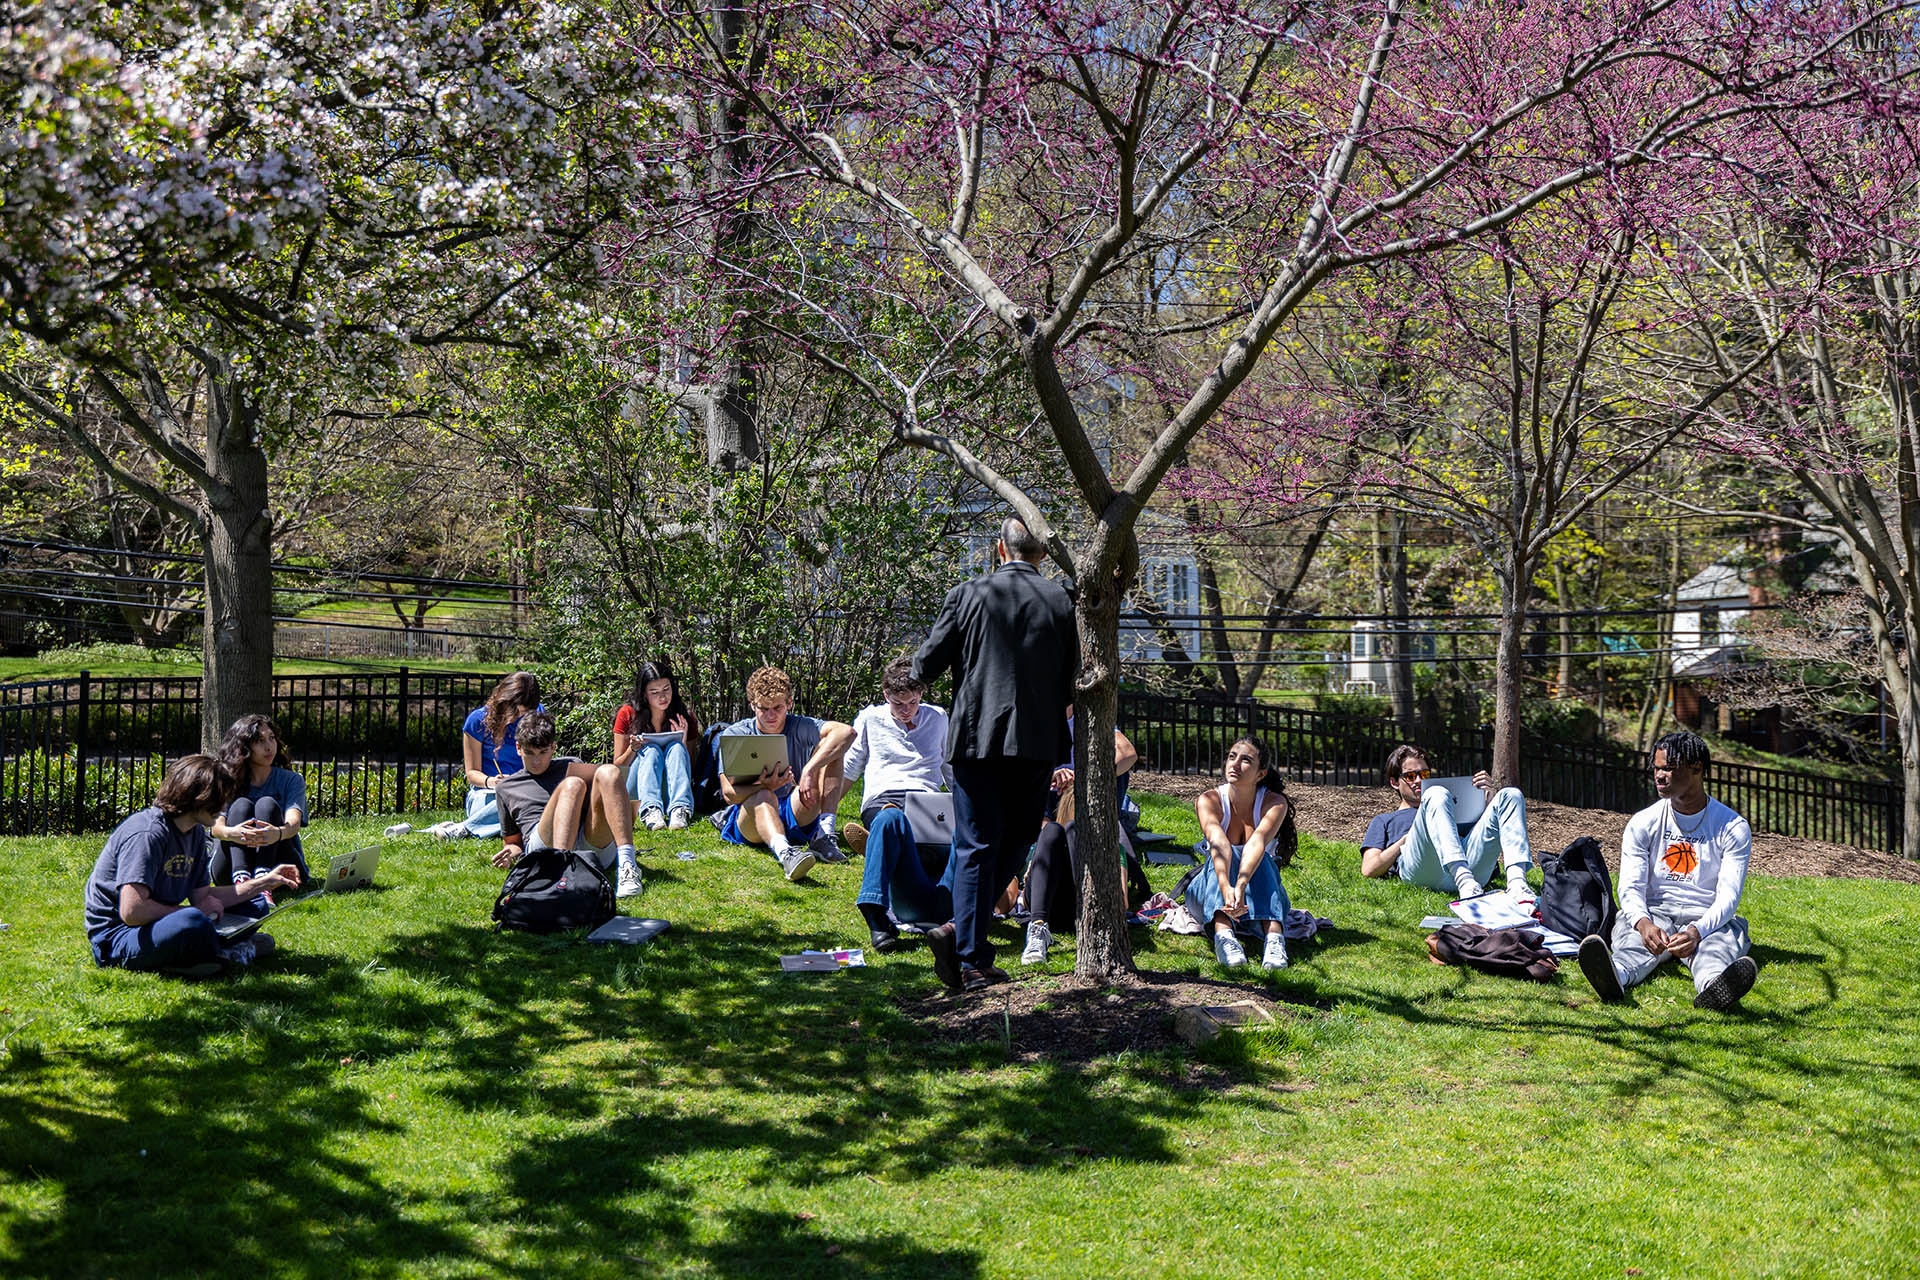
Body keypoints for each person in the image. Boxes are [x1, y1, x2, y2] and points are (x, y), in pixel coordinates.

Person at [913, 515, 1077, 992]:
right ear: (1042, 554)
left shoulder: (968, 594)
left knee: (976, 845)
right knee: (1019, 838)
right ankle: (968, 952)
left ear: (998, 549)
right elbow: (1074, 678)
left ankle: (962, 945)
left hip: (975, 741)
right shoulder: (1063, 602)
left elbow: (926, 664)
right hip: (1035, 743)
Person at [1578, 731, 1760, 1011]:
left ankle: (1714, 989)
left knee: (1716, 948)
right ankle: (1614, 975)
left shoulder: (1732, 827)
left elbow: (1728, 898)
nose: (1659, 775)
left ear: (1696, 769)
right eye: (1656, 768)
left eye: (1669, 768)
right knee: (1632, 942)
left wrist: (1697, 931)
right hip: (1655, 912)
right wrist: (1643, 922)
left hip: (1705, 918)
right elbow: (1630, 886)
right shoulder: (1643, 822)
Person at [85, 754, 302, 975]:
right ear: (197, 796)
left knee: (255, 903)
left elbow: (203, 895)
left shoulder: (195, 832)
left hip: (163, 922)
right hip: (119, 935)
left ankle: (206, 952)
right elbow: (132, 911)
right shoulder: (148, 834)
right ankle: (225, 951)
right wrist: (194, 911)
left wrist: (264, 882)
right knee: (192, 920)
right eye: (219, 798)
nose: (223, 806)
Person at [841, 657, 955, 951]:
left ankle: (882, 845)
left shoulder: (938, 717)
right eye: (898, 704)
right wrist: (823, 816)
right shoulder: (870, 718)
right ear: (885, 696)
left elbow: (947, 766)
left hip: (927, 800)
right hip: (884, 797)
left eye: (913, 703)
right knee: (891, 819)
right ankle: (875, 912)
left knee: (940, 831)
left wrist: (965, 805)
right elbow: (850, 767)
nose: (907, 711)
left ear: (922, 695)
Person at [715, 665, 855, 882]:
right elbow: (728, 794)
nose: (771, 715)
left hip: (795, 807)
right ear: (752, 705)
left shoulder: (799, 725)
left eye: (778, 708)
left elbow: (847, 732)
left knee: (833, 748)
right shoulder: (736, 734)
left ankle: (824, 834)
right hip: (752, 817)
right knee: (764, 797)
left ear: (789, 703)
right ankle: (786, 854)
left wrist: (809, 770)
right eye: (763, 708)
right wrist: (765, 786)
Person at [490, 712, 644, 899]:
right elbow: (514, 843)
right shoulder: (506, 787)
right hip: (544, 847)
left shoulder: (572, 764)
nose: (536, 761)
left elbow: (594, 809)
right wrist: (509, 854)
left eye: (543, 752)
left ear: (553, 747)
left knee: (609, 771)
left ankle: (627, 866)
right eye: (529, 753)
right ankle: (561, 873)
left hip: (588, 841)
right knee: (573, 784)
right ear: (518, 748)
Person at [1358, 744, 1533, 899]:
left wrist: (1489, 802)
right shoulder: (1384, 820)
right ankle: (1463, 880)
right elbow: (1369, 869)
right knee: (1435, 793)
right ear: (1394, 783)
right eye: (1411, 776)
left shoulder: (1449, 803)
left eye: (1424, 774)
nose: (1419, 780)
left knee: (1511, 795)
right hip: (1424, 869)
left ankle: (1517, 884)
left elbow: (1483, 840)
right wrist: (1406, 839)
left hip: (1470, 865)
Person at [1186, 736, 1297, 970]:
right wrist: (1227, 886)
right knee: (1227, 852)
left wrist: (1242, 885)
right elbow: (1218, 843)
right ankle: (1223, 934)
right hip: (1210, 893)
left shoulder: (1275, 803)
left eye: (1246, 760)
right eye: (1232, 757)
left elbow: (1257, 842)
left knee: (1261, 858)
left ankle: (1274, 940)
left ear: (1260, 774)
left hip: (1257, 898)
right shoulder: (1209, 799)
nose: (1234, 764)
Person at [1015, 786, 1151, 966]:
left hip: (1086, 909)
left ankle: (1054, 923)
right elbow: (1024, 902)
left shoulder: (1111, 848)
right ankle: (1037, 930)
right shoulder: (1049, 841)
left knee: (1071, 829)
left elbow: (1121, 902)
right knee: (1052, 830)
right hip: (1048, 910)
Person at [208, 714, 310, 907]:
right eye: (260, 741)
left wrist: (276, 833)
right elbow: (216, 828)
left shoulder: (291, 780)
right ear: (244, 747)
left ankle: (264, 881)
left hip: (280, 863)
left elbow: (293, 824)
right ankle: (243, 881)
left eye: (272, 738)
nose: (269, 746)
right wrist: (234, 833)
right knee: (240, 805)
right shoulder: (227, 780)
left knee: (267, 804)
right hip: (229, 867)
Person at [440, 671, 543, 840]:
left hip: (526, 789)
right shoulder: (477, 721)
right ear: (503, 701)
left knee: (535, 796)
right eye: (515, 712)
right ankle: (473, 825)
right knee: (520, 803)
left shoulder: (537, 714)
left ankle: (466, 828)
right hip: (487, 792)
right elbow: (472, 773)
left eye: (523, 714)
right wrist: (492, 782)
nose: (518, 718)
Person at [612, 659, 702, 831]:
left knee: (676, 748)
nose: (662, 697)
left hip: (671, 786)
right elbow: (617, 767)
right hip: (637, 787)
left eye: (666, 689)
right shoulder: (627, 714)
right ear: (644, 694)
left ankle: (679, 809)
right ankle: (650, 810)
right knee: (651, 750)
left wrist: (682, 743)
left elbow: (688, 767)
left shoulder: (684, 717)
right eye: (654, 692)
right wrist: (633, 749)